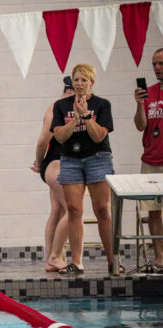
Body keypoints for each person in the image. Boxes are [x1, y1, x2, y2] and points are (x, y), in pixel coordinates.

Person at [51, 63, 119, 275]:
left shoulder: (102, 105)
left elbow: (99, 135)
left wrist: (87, 116)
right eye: (76, 79)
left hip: (97, 157)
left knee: (102, 210)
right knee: (73, 210)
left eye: (83, 80)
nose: (79, 83)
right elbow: (60, 136)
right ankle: (77, 261)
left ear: (92, 83)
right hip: (71, 159)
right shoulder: (61, 106)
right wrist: (76, 118)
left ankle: (112, 260)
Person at [31, 77, 74, 272]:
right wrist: (39, 162)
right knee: (72, 211)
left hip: (61, 163)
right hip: (57, 164)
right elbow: (42, 142)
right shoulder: (56, 108)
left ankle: (50, 259)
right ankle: (56, 257)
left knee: (57, 212)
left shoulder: (62, 106)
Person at [133, 48, 163, 270]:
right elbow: (140, 125)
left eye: (161, 63)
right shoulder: (148, 93)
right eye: (154, 64)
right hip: (151, 161)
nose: (157, 68)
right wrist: (138, 104)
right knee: (154, 211)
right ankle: (160, 257)